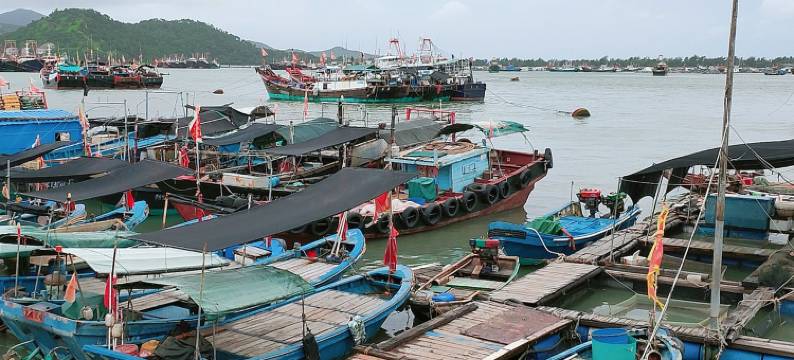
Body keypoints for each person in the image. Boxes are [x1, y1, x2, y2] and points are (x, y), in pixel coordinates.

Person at [147, 321, 213, 360]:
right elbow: (172, 338)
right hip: (175, 344)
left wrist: (187, 334)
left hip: (188, 348)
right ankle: (160, 355)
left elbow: (204, 346)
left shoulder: (194, 333)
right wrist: (184, 335)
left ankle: (161, 355)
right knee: (169, 341)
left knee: (188, 350)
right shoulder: (175, 332)